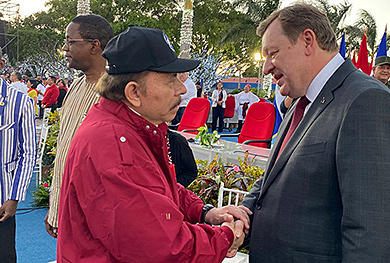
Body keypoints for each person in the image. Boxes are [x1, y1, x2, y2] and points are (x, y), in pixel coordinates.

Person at [57, 25, 248, 262]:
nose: (181, 89)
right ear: (134, 92)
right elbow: (165, 250)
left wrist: (204, 212)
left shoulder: (126, 127)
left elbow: (156, 188)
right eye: (170, 80)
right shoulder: (113, 145)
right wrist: (226, 236)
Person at [238, 4, 390, 262]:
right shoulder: (301, 101)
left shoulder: (368, 101)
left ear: (308, 41)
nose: (266, 68)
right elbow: (273, 179)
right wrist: (242, 214)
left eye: (272, 53)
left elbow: (373, 233)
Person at [44, 14, 114, 239]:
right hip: (66, 210)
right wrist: (54, 208)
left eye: (70, 42)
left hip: (92, 220)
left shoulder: (115, 93)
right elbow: (65, 151)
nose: (65, 49)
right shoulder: (75, 87)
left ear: (94, 46)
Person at [0, 49, 36, 263]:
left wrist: (14, 197)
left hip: (2, 201)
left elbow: (28, 152)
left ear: (2, 64)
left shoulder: (20, 101)